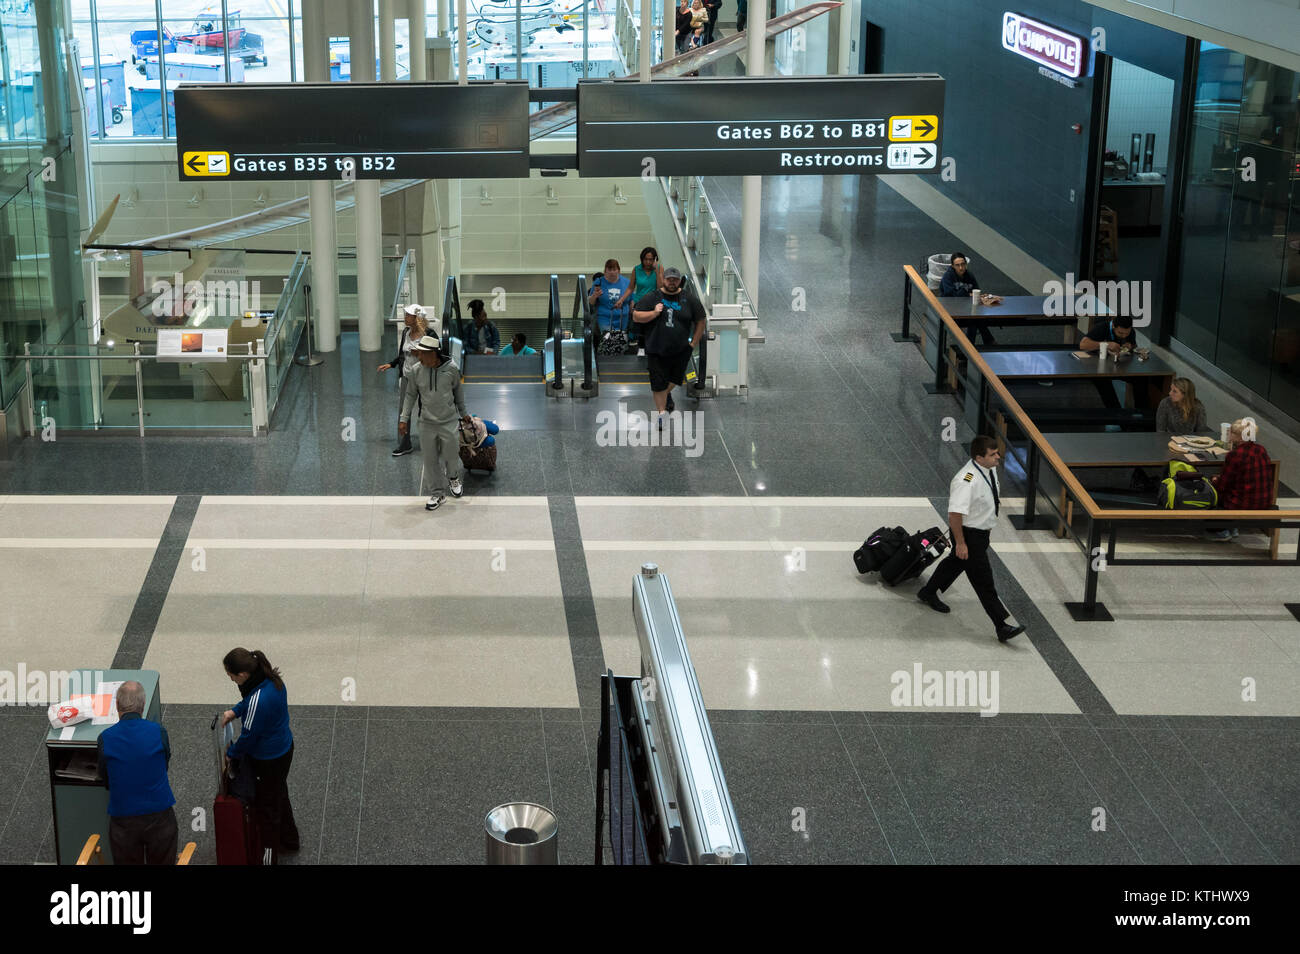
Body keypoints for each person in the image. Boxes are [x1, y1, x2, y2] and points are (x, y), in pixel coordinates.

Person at [916, 435, 1026, 643]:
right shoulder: (966, 481)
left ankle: (928, 592)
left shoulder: (989, 470)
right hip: (969, 535)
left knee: (955, 563)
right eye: (992, 454)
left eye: (997, 453)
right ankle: (1001, 625)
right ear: (978, 457)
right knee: (983, 581)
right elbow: (954, 515)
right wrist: (962, 543)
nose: (998, 458)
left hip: (982, 533)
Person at [221, 648, 299, 863]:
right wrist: (235, 710)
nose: (229, 678)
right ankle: (290, 840)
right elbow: (251, 704)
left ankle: (268, 858)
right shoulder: (271, 681)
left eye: (230, 675)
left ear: (243, 675)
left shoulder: (259, 699)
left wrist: (231, 754)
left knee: (268, 812)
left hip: (268, 759)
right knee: (279, 793)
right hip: (283, 749)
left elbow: (248, 736)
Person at [96, 681, 178, 865]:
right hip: (160, 814)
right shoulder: (158, 731)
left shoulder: (106, 738)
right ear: (143, 705)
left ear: (117, 705)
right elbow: (164, 764)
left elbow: (105, 776)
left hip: (123, 818)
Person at [400, 334, 469, 511]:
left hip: (449, 421)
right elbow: (410, 395)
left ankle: (453, 477)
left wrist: (464, 413)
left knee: (451, 455)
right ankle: (437, 493)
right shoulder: (416, 370)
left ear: (433, 353)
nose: (419, 357)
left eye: (422, 354)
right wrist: (404, 418)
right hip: (426, 423)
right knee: (430, 460)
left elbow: (458, 393)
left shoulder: (451, 369)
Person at [632, 266, 706, 430]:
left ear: (679, 281)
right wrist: (653, 313)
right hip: (656, 349)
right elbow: (636, 316)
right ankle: (661, 414)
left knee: (674, 380)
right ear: (663, 280)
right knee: (658, 383)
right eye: (669, 279)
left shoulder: (689, 298)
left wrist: (693, 343)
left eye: (675, 279)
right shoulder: (653, 297)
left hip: (680, 349)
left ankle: (663, 398)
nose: (672, 282)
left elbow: (701, 319)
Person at [377, 304, 429, 457]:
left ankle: (430, 442)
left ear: (417, 318)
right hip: (407, 377)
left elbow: (437, 356)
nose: (405, 317)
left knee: (425, 411)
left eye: (408, 315)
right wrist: (392, 364)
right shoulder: (406, 332)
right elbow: (403, 354)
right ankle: (404, 443)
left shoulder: (429, 334)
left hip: (424, 378)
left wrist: (420, 352)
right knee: (403, 412)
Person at [1207, 418, 1271, 540]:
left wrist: (1214, 480)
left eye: (1231, 432)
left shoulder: (1235, 455)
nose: (1229, 434)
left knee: (1211, 495)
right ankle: (1233, 526)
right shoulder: (1261, 450)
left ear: (1240, 437)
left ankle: (1223, 530)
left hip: (1242, 503)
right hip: (1263, 501)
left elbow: (1223, 485)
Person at [938, 252, 994, 346]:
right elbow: (951, 296)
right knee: (975, 320)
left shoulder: (969, 276)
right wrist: (967, 293)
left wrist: (981, 296)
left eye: (963, 264)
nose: (961, 268)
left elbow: (976, 290)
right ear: (952, 266)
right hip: (951, 311)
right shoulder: (947, 277)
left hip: (966, 309)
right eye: (957, 265)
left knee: (977, 319)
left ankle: (974, 345)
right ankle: (980, 344)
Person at [629, 247, 664, 347]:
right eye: (646, 259)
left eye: (651, 259)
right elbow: (630, 288)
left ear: (655, 259)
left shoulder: (659, 268)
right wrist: (625, 300)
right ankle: (639, 348)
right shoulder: (636, 269)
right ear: (642, 259)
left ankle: (650, 347)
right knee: (639, 327)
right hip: (639, 302)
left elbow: (660, 287)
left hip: (653, 302)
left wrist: (657, 271)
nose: (648, 262)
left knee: (652, 327)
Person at [588, 259, 632, 335]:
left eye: (614, 269)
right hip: (605, 318)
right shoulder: (599, 282)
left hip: (623, 318)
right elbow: (591, 302)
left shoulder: (626, 282)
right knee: (608, 339)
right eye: (609, 269)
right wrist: (595, 295)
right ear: (605, 271)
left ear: (618, 271)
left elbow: (631, 300)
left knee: (621, 341)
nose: (612, 272)